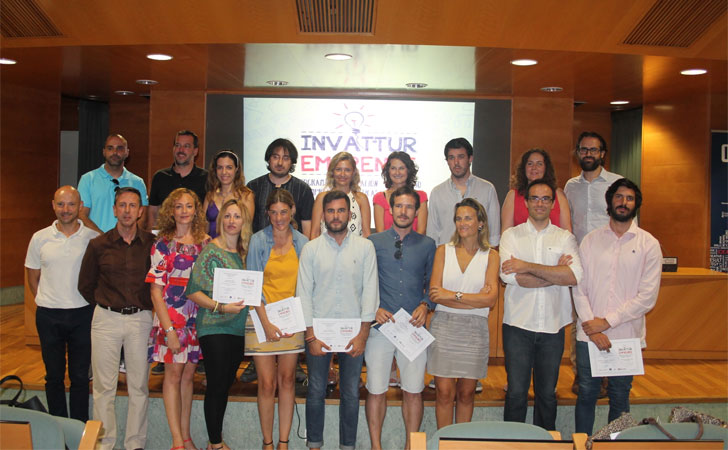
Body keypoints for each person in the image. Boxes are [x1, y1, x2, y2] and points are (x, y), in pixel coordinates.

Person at [574, 178, 661, 435]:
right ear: (609, 202)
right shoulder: (590, 241)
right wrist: (594, 328)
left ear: (636, 205)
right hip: (588, 334)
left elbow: (647, 297)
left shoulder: (649, 244)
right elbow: (579, 288)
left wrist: (607, 322)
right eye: (619, 197)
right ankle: (583, 444)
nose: (623, 203)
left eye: (630, 198)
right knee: (587, 393)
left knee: (620, 396)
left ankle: (615, 443)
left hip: (626, 336)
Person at [297, 190, 379, 450]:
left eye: (340, 210)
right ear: (323, 215)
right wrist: (310, 336)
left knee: (351, 393)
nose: (335, 216)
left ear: (350, 213)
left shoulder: (365, 247)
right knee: (315, 391)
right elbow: (303, 294)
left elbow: (370, 292)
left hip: (354, 335)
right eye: (330, 211)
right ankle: (314, 445)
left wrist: (363, 335)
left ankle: (348, 446)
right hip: (318, 335)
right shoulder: (311, 250)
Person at [499, 179, 582, 431]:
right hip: (517, 326)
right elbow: (510, 277)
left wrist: (526, 266)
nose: (539, 203)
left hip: (553, 327)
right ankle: (511, 445)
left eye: (545, 199)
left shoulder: (565, 237)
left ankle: (544, 443)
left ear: (553, 204)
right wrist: (554, 271)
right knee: (516, 394)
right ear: (525, 203)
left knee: (547, 395)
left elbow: (574, 276)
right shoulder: (511, 236)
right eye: (534, 198)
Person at [78, 187, 155, 450]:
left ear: (140, 212)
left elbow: (157, 284)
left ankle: (134, 444)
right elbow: (85, 285)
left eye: (133, 206)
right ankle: (105, 444)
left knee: (138, 386)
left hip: (140, 320)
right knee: (103, 388)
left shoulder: (152, 245)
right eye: (122, 205)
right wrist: (106, 304)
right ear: (114, 210)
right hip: (106, 319)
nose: (127, 211)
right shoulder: (98, 245)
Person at [365, 186, 436, 449]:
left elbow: (433, 284)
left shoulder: (428, 245)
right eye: (398, 206)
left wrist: (426, 304)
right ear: (390, 209)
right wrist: (372, 308)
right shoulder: (373, 243)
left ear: (416, 212)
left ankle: (411, 445)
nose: (403, 211)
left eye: (409, 207)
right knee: (375, 390)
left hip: (413, 328)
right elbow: (363, 282)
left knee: (414, 391)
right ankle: (376, 445)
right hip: (380, 327)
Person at [25, 186, 98, 422]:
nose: (65, 210)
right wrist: (47, 300)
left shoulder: (92, 238)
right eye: (61, 204)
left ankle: (78, 429)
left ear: (79, 207)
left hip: (82, 315)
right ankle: (58, 428)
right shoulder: (39, 237)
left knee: (79, 376)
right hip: (49, 316)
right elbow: (33, 276)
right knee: (53, 376)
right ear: (53, 205)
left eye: (71, 204)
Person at [564, 131, 628, 395]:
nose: (588, 154)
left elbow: (628, 222)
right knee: (580, 317)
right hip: (580, 262)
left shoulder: (617, 184)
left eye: (594, 150)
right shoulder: (570, 186)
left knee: (607, 315)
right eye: (584, 149)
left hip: (609, 261)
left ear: (603, 153)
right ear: (578, 152)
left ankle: (609, 373)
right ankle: (582, 373)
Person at [146, 188, 210, 450]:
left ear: (196, 210)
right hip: (171, 319)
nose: (184, 211)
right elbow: (155, 291)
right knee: (172, 376)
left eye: (189, 206)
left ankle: (185, 436)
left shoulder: (206, 243)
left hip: (197, 319)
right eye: (179, 206)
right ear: (171, 211)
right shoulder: (162, 244)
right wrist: (169, 329)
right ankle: (176, 441)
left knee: (187, 377)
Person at [427, 198, 499, 429]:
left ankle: (461, 443)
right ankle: (444, 442)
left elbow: (490, 299)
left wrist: (453, 295)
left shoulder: (492, 256)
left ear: (480, 222)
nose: (462, 223)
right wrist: (473, 300)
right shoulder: (443, 251)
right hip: (444, 326)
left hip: (475, 331)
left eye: (467, 217)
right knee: (444, 393)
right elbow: (435, 295)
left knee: (467, 393)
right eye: (458, 218)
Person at [186, 198, 251, 450]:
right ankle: (215, 443)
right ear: (221, 220)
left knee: (224, 383)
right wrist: (220, 307)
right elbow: (193, 292)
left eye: (236, 216)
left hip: (236, 327)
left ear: (243, 221)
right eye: (227, 216)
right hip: (213, 325)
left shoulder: (245, 253)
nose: (232, 221)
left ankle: (215, 440)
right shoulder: (211, 250)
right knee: (216, 383)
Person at [246, 189, 309, 450]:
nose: (279, 218)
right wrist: (266, 322)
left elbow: (306, 286)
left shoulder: (304, 243)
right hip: (261, 318)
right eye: (274, 212)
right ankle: (267, 443)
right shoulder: (258, 241)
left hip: (291, 320)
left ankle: (283, 442)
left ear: (292, 211)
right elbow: (252, 286)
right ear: (267, 213)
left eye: (284, 212)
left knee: (286, 380)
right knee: (267, 383)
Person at [427, 138, 500, 247]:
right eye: (451, 158)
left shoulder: (487, 189)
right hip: (446, 259)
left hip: (480, 258)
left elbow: (494, 234)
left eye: (461, 157)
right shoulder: (437, 193)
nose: (456, 162)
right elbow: (432, 235)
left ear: (470, 159)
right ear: (447, 161)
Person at [78, 134, 148, 233]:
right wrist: (104, 239)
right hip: (96, 243)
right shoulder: (88, 179)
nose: (115, 152)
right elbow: (82, 216)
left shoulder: (138, 182)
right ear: (104, 152)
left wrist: (128, 240)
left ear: (127, 152)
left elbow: (143, 217)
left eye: (119, 148)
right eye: (110, 148)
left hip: (127, 245)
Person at [247, 138, 314, 238]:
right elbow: (246, 225)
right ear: (269, 159)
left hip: (294, 250)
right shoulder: (253, 187)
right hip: (260, 249)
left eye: (286, 158)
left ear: (292, 162)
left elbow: (307, 229)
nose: (280, 162)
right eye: (275, 157)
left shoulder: (303, 189)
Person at [147, 130, 208, 230]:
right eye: (177, 145)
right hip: (165, 240)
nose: (181, 150)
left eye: (186, 146)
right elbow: (153, 213)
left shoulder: (207, 178)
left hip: (196, 240)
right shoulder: (160, 177)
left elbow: (207, 217)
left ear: (195, 151)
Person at [501, 148, 571, 232]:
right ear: (524, 168)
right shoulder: (512, 195)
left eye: (539, 164)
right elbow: (506, 232)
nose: (534, 167)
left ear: (546, 168)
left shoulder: (558, 195)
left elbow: (567, 231)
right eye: (530, 164)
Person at [310, 151, 371, 239]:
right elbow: (314, 233)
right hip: (325, 251)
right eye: (338, 169)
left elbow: (366, 233)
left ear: (353, 173)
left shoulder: (361, 199)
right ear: (332, 172)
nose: (342, 174)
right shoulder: (322, 198)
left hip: (356, 251)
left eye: (347, 170)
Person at [203, 150, 255, 238]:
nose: (224, 172)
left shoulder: (246, 196)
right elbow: (203, 227)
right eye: (220, 167)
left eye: (229, 167)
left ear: (236, 169)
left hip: (236, 249)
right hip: (212, 249)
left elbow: (246, 230)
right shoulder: (210, 196)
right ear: (215, 170)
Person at [373, 151, 428, 234]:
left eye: (401, 168)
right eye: (393, 168)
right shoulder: (380, 198)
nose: (397, 173)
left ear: (408, 171)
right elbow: (380, 233)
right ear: (388, 171)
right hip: (387, 246)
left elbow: (421, 231)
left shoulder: (421, 196)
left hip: (415, 245)